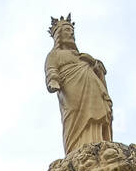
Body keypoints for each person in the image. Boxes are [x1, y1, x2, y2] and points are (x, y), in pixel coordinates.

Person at [45, 14, 113, 155]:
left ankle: (100, 143)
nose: (70, 33)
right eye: (66, 30)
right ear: (59, 36)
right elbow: (51, 69)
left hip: (93, 90)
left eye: (71, 31)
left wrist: (93, 63)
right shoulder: (55, 55)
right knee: (75, 118)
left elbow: (100, 70)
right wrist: (53, 80)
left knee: (98, 115)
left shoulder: (81, 56)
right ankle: (79, 149)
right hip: (72, 91)